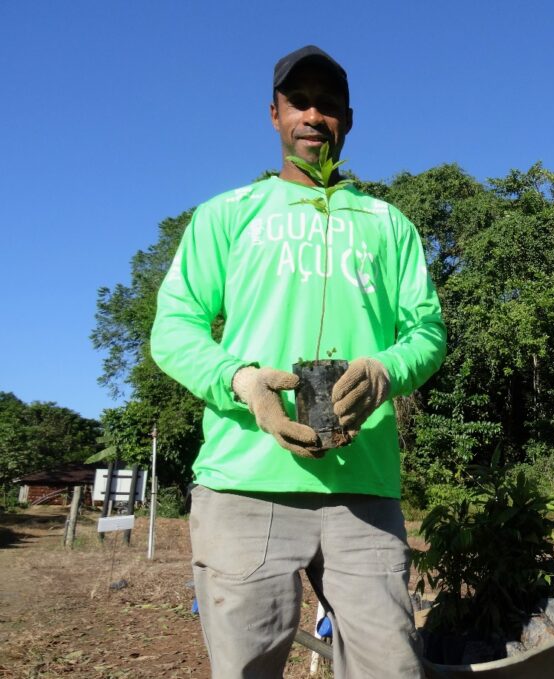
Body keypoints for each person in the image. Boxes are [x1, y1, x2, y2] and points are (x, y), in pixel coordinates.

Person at [151, 45, 446, 678]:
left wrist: (385, 371)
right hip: (243, 483)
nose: (314, 115)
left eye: (329, 105)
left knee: (391, 667)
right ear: (275, 114)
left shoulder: (386, 224)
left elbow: (427, 333)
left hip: (362, 489)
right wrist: (243, 383)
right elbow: (174, 329)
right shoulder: (227, 216)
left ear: (348, 120)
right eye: (300, 102)